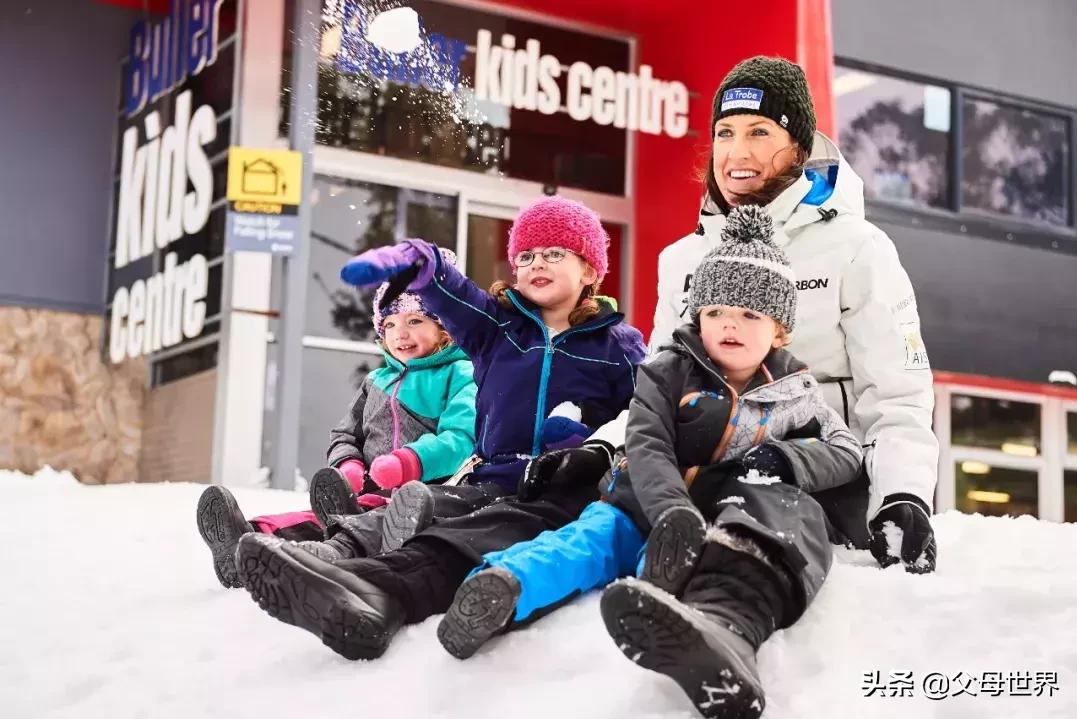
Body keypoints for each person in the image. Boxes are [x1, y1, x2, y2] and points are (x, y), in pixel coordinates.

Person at [519, 55, 939, 579]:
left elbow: (896, 396)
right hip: (703, 469)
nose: (737, 153)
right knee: (572, 515)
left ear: (799, 148)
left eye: (759, 132)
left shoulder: (858, 249)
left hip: (811, 481)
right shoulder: (683, 261)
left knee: (733, 541)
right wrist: (603, 448)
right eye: (725, 132)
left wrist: (903, 495)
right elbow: (661, 388)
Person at [436, 206, 861, 667]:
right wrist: (671, 510)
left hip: (730, 515)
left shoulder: (796, 392)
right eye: (715, 311)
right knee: (589, 539)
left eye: (749, 315)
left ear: (779, 331)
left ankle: (686, 615)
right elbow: (647, 443)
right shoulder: (667, 372)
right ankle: (505, 585)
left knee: (762, 532)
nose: (729, 325)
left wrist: (787, 460)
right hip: (643, 500)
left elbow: (844, 451)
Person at [233, 196, 646, 660]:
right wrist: (423, 266)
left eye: (554, 254)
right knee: (424, 506)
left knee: (461, 536)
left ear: (590, 270)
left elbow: (641, 417)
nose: (536, 264)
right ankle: (334, 559)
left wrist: (590, 443)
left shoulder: (617, 347)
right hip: (495, 475)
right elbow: (456, 297)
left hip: (562, 488)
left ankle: (370, 589)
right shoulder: (498, 326)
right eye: (526, 256)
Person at [194, 270, 476, 588]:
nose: (401, 334)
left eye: (414, 321)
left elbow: (461, 439)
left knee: (353, 524)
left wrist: (408, 462)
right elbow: (345, 434)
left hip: (421, 498)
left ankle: (291, 555)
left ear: (444, 328)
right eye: (390, 325)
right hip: (369, 491)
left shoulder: (460, 373)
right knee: (321, 520)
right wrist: (348, 464)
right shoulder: (376, 382)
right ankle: (248, 539)